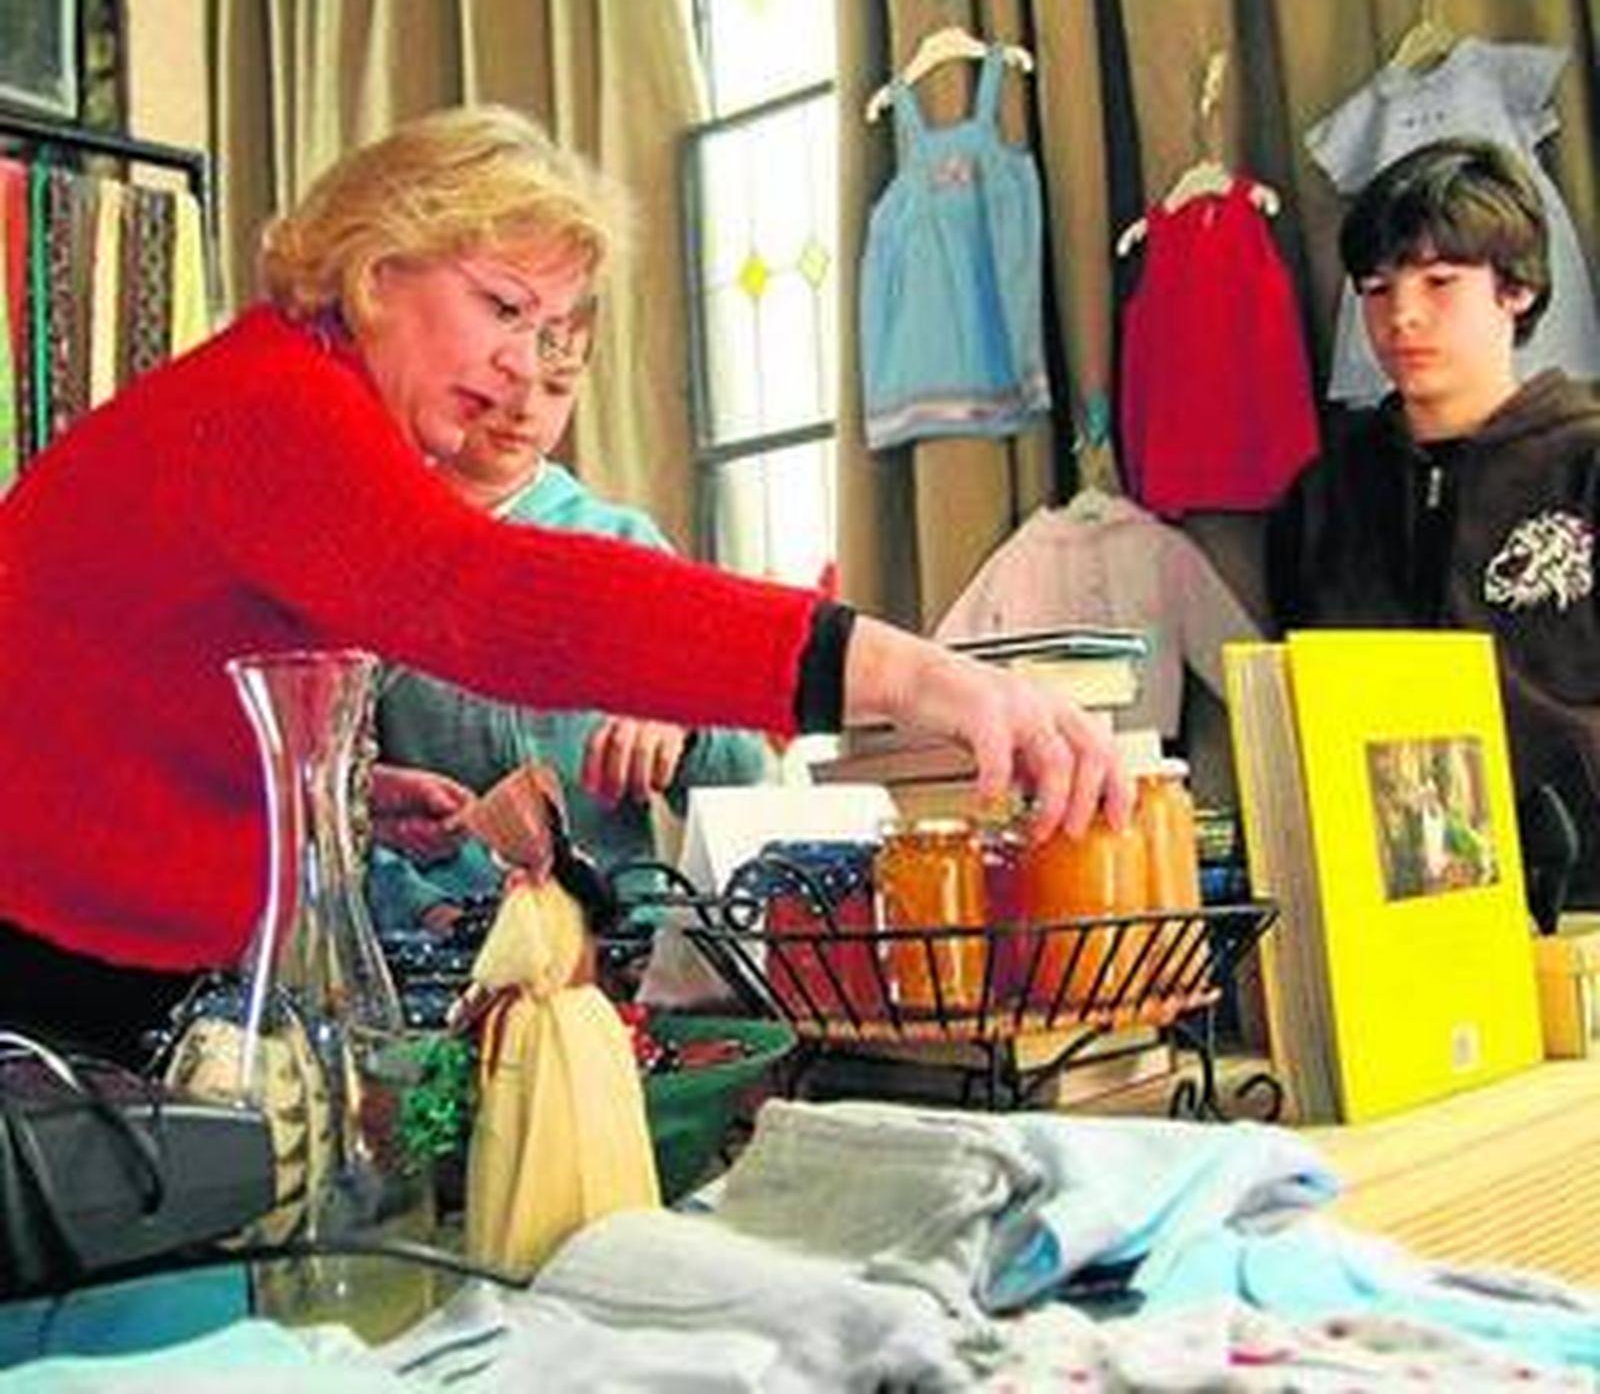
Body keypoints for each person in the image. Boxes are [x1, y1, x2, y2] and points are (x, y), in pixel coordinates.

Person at [0, 105, 1127, 1064]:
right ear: (377, 268)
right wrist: (904, 671)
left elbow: (139, 677)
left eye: (545, 330)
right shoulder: (275, 407)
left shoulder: (294, 397)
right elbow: (486, 598)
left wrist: (345, 787)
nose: (521, 363)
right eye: (500, 306)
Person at [1269, 136, 1600, 919]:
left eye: (1440, 281)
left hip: (1587, 905)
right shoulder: (1321, 499)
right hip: (1390, 915)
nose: (1402, 316)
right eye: (1377, 290)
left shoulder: (1586, 462)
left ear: (1515, 290)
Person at [368, 338, 769, 937]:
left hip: (622, 949)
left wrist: (681, 730)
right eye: (502, 380)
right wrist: (420, 909)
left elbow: (743, 767)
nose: (527, 409)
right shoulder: (373, 552)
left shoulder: (622, 544)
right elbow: (323, 800)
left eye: (557, 387)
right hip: (436, 953)